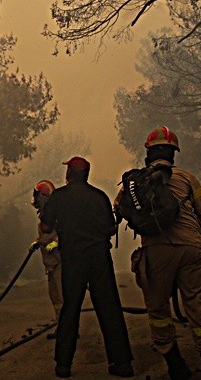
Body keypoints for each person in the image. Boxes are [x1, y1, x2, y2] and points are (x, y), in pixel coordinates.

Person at [115, 127, 201, 380]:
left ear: (149, 153)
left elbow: (120, 211)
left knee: (159, 310)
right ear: (173, 154)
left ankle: (175, 363)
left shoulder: (135, 182)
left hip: (155, 251)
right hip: (191, 248)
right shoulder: (187, 178)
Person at [40, 156, 134, 378]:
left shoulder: (59, 197)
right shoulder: (99, 197)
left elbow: (45, 227)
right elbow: (111, 230)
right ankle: (122, 364)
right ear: (87, 174)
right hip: (99, 258)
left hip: (73, 260)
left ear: (69, 174)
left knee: (70, 310)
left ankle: (63, 365)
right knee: (109, 308)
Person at [31, 179, 63, 338]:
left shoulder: (57, 214)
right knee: (55, 297)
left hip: (60, 263)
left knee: (63, 298)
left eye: (37, 196)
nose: (34, 199)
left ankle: (68, 330)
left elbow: (63, 235)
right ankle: (61, 326)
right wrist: (37, 243)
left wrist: (54, 245)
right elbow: (45, 236)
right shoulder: (44, 215)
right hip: (51, 265)